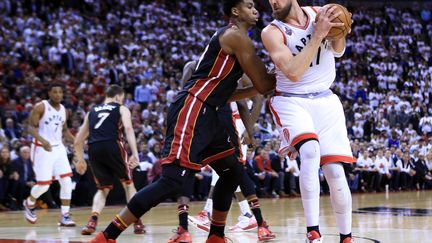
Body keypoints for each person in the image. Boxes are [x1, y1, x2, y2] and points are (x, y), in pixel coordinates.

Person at [90, 0, 275, 242]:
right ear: (234, 11)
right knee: (172, 180)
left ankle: (216, 236)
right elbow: (263, 84)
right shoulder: (235, 36)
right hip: (193, 108)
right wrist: (294, 66)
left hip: (211, 110)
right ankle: (108, 235)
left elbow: (229, 93)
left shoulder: (235, 41)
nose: (255, 9)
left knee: (232, 171)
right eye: (249, 5)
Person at [261, 1, 355, 242]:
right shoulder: (272, 32)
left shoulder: (321, 13)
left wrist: (341, 30)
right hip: (292, 100)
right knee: (311, 151)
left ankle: (347, 236)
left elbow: (338, 51)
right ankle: (313, 232)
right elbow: (292, 71)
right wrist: (318, 34)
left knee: (335, 171)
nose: (273, 1)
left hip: (326, 99)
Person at [168, 62, 275, 243]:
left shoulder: (236, 67)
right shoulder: (219, 68)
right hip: (221, 117)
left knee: (225, 170)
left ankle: (193, 222)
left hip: (223, 119)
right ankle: (253, 219)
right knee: (232, 171)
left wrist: (249, 131)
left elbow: (256, 99)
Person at [74, 84, 145, 235]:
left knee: (103, 188)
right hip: (112, 145)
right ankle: (137, 221)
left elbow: (78, 140)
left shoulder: (91, 111)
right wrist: (135, 153)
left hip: (93, 149)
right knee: (128, 184)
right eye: (122, 99)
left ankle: (92, 221)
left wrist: (80, 160)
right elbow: (128, 128)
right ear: (119, 96)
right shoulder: (122, 108)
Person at [23, 83, 77, 226]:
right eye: (55, 92)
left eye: (60, 92)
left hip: (58, 148)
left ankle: (65, 215)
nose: (58, 94)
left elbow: (64, 130)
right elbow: (30, 128)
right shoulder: (41, 107)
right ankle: (29, 202)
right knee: (44, 185)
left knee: (66, 181)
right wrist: (43, 141)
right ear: (49, 93)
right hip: (41, 148)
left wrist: (76, 141)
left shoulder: (64, 110)